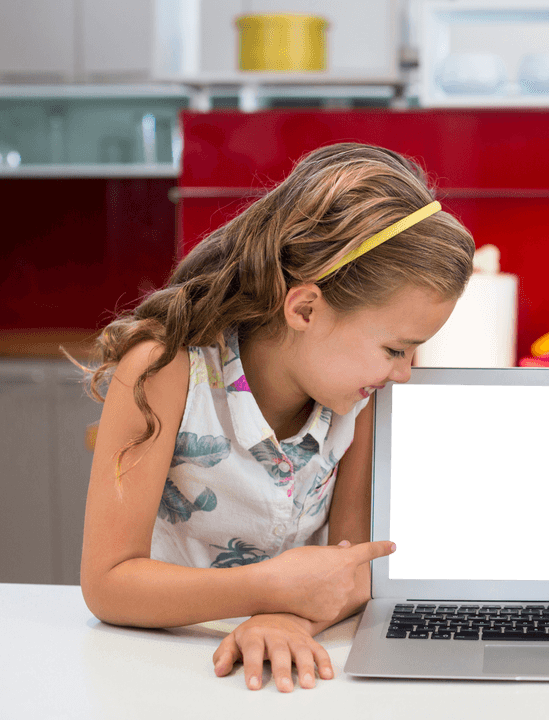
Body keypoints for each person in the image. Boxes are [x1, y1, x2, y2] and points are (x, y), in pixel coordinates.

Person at [78, 143, 475, 690]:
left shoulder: (362, 398)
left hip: (285, 660)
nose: (405, 372)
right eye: (395, 349)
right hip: (157, 665)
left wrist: (283, 618)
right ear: (305, 309)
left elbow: (355, 565)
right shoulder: (164, 369)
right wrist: (269, 590)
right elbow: (108, 582)